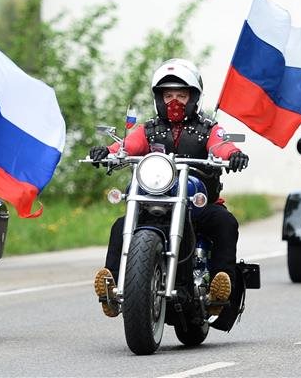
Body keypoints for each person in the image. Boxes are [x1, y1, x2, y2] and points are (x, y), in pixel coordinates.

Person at [88, 59, 249, 318]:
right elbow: (127, 146)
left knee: (225, 222)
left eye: (182, 95)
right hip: (154, 202)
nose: (175, 101)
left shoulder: (208, 129)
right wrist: (106, 152)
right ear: (159, 99)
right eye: (168, 94)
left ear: (193, 98)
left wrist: (235, 154)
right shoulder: (149, 130)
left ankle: (219, 288)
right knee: (120, 225)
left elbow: (221, 146)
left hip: (198, 205)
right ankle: (112, 288)